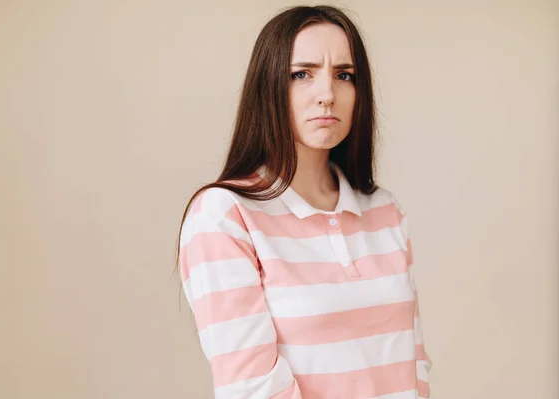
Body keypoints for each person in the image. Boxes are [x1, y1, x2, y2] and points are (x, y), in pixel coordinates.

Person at [175, 5, 432, 399]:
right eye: (302, 74)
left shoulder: (384, 210)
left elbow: (415, 365)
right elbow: (253, 388)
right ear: (268, 87)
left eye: (344, 75)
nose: (327, 94)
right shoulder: (225, 215)